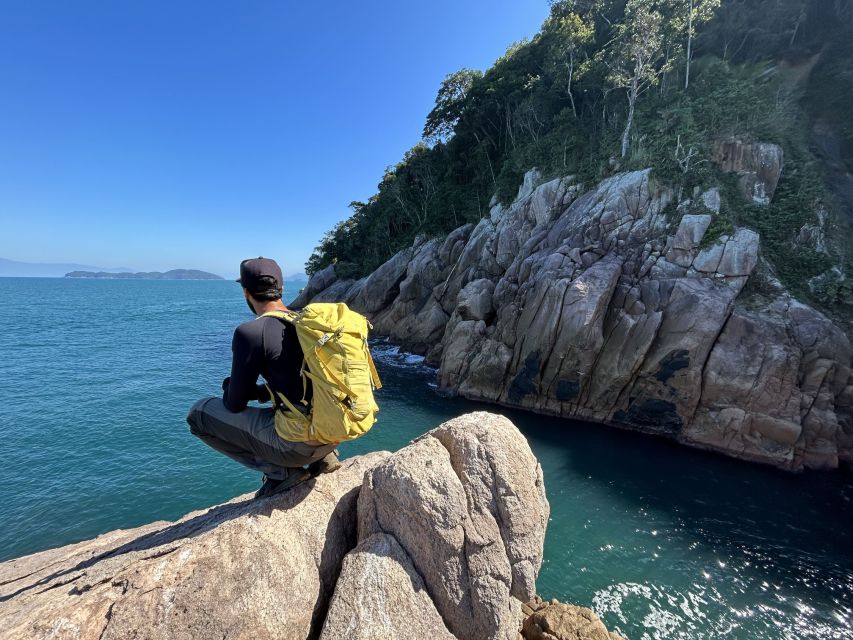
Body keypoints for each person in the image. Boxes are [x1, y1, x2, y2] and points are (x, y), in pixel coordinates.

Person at [186, 257, 340, 499]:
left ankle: (282, 471)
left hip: (296, 446)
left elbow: (234, 404)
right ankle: (324, 458)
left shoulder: (250, 333)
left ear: (246, 292)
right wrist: (261, 392)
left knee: (198, 414)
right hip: (332, 433)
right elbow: (305, 380)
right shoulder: (308, 324)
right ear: (281, 289)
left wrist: (231, 387)